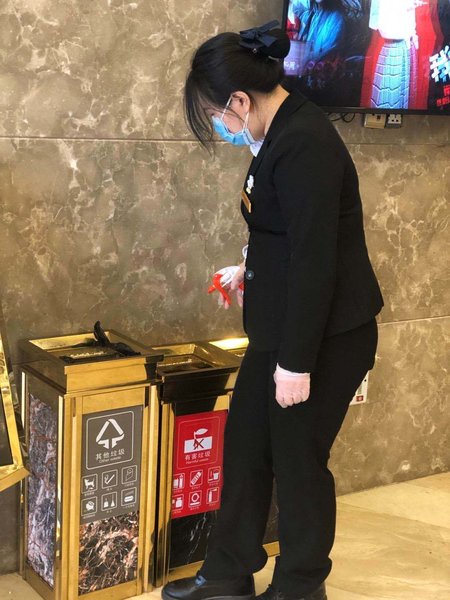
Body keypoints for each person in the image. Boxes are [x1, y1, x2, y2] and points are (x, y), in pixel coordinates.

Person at [161, 20, 384, 600]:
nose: (221, 126)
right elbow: (285, 233)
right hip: (282, 329)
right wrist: (249, 269)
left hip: (324, 337)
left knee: (298, 461)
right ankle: (228, 573)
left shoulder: (305, 142)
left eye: (218, 115)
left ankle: (300, 586)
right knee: (247, 449)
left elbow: (316, 261)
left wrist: (296, 364)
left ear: (240, 101)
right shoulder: (280, 132)